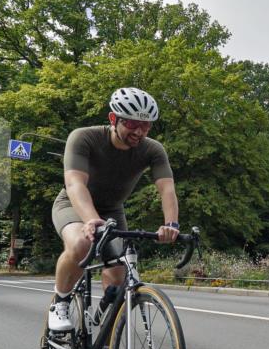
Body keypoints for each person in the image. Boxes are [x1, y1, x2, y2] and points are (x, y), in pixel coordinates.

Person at [48, 88, 179, 332]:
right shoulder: (84, 137)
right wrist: (91, 219)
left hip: (112, 212)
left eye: (146, 125)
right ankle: (60, 301)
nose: (139, 132)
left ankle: (105, 340)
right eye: (131, 123)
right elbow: (75, 184)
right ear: (113, 119)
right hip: (74, 205)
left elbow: (167, 190)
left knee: (120, 278)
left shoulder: (153, 150)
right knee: (80, 244)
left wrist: (171, 224)